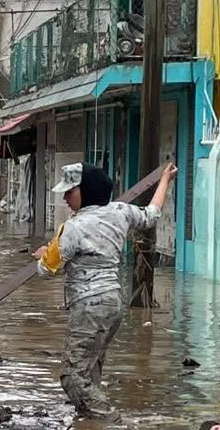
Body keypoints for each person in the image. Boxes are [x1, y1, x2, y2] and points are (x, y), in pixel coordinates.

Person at [35, 160, 177, 417]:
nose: (66, 197)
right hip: (113, 302)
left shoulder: (72, 228)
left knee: (72, 377)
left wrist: (44, 254)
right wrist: (165, 180)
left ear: (86, 190)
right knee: (91, 369)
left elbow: (47, 271)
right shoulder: (120, 211)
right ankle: (90, 427)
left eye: (70, 191)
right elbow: (152, 214)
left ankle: (108, 420)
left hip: (88, 306)